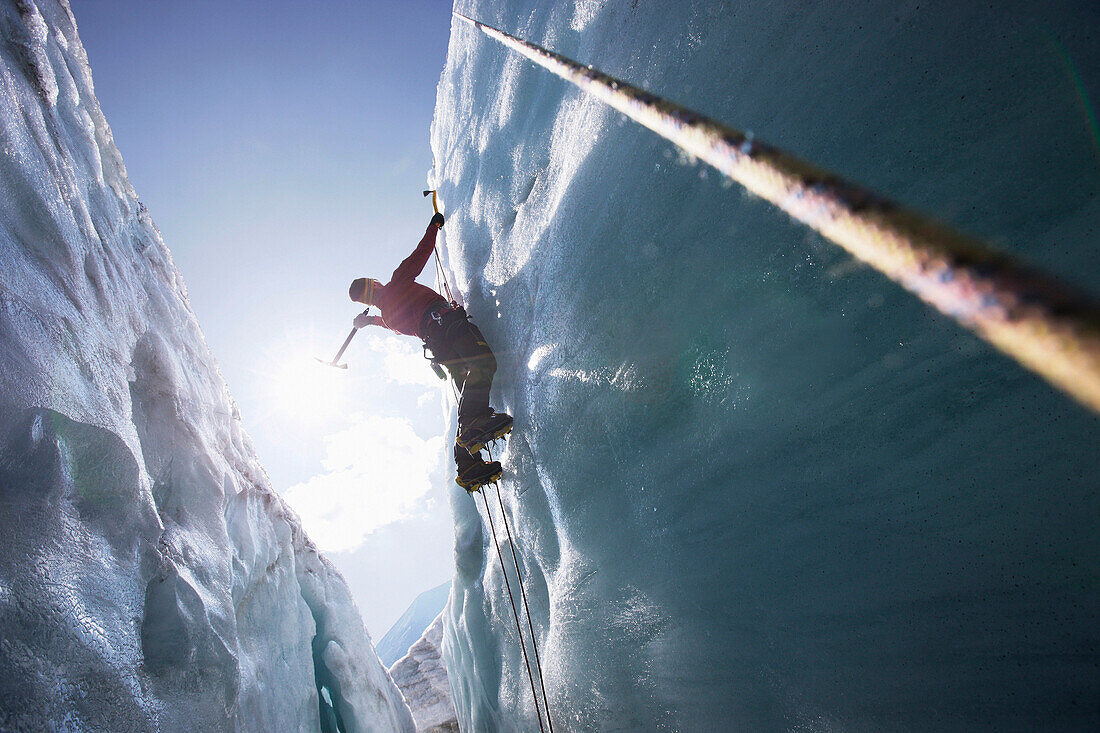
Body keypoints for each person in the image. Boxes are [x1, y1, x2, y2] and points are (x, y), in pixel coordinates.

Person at [349, 212, 513, 492]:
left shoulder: (388, 317)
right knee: (484, 365)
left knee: (468, 391)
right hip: (447, 324)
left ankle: (467, 463)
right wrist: (434, 225)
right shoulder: (396, 283)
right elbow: (420, 255)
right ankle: (474, 427)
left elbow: (395, 327)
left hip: (438, 346)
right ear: (374, 284)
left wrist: (368, 322)